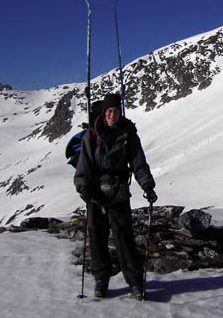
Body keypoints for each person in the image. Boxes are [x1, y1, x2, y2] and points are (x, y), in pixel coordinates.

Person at [74, 92, 158, 299]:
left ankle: (135, 282)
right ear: (104, 113)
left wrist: (147, 185)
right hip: (95, 191)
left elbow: (138, 163)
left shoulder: (128, 134)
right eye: (109, 111)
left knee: (124, 235)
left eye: (116, 111)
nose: (112, 114)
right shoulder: (91, 135)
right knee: (96, 234)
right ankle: (101, 279)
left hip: (119, 189)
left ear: (120, 112)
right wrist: (84, 187)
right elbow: (83, 164)